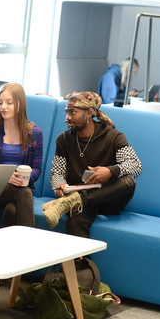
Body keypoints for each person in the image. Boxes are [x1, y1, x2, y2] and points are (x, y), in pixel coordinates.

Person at [43, 91, 142, 238]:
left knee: (128, 182)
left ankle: (73, 201)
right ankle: (80, 261)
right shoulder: (63, 139)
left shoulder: (113, 136)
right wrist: (60, 185)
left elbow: (135, 165)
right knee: (77, 217)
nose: (67, 118)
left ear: (89, 112)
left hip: (107, 199)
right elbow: (57, 173)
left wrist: (110, 171)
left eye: (73, 112)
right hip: (80, 199)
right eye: (66, 112)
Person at [0, 83, 43, 228]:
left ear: (20, 104)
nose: (3, 107)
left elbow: (37, 169)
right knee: (24, 194)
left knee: (11, 210)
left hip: (21, 187)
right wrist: (7, 177)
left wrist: (23, 179)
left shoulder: (35, 133)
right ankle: (32, 247)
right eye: (0, 102)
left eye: (9, 103)